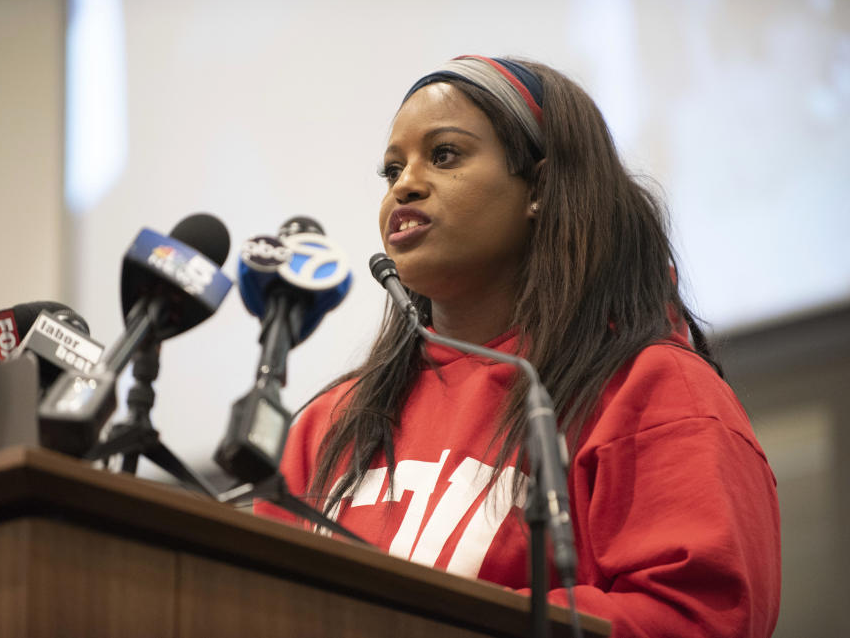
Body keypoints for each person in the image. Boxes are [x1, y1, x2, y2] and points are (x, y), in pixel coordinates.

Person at [255, 55, 780, 638]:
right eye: (391, 170)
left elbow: (695, 618)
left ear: (541, 186)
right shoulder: (330, 424)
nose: (405, 183)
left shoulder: (651, 390)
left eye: (445, 154)